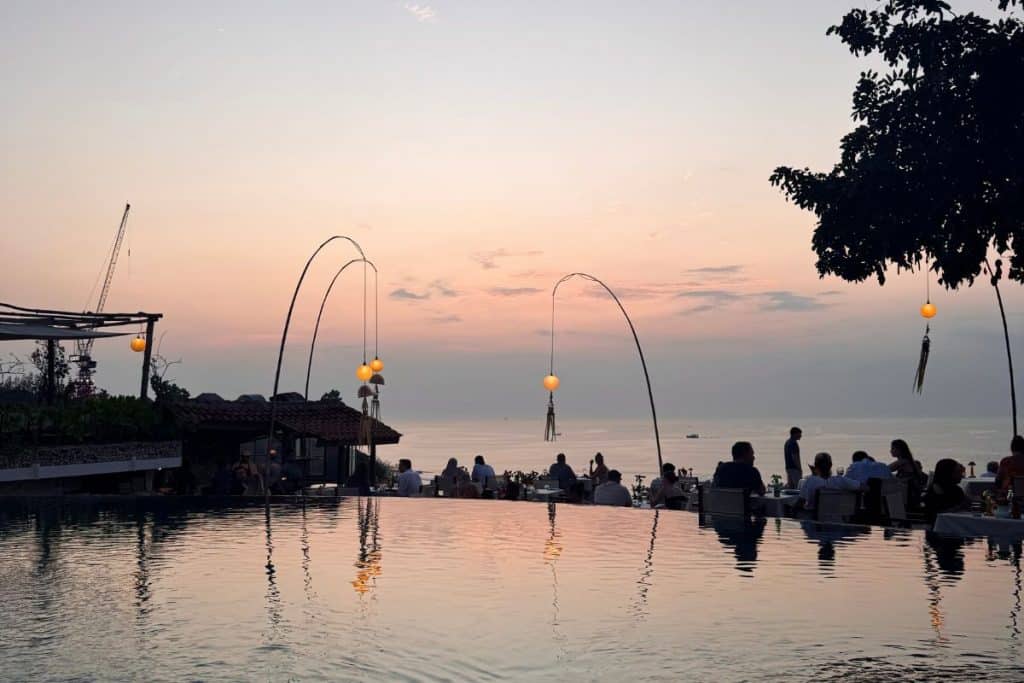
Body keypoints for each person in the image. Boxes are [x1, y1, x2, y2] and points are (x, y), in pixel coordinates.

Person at [923, 458, 969, 523]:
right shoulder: (935, 490)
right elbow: (935, 515)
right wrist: (959, 507)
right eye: (958, 472)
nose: (961, 476)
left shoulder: (957, 490)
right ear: (948, 473)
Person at [889, 438, 923, 510]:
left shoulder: (902, 462)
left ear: (899, 450)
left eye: (892, 448)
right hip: (912, 493)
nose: (890, 451)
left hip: (908, 494)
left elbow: (885, 470)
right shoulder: (909, 461)